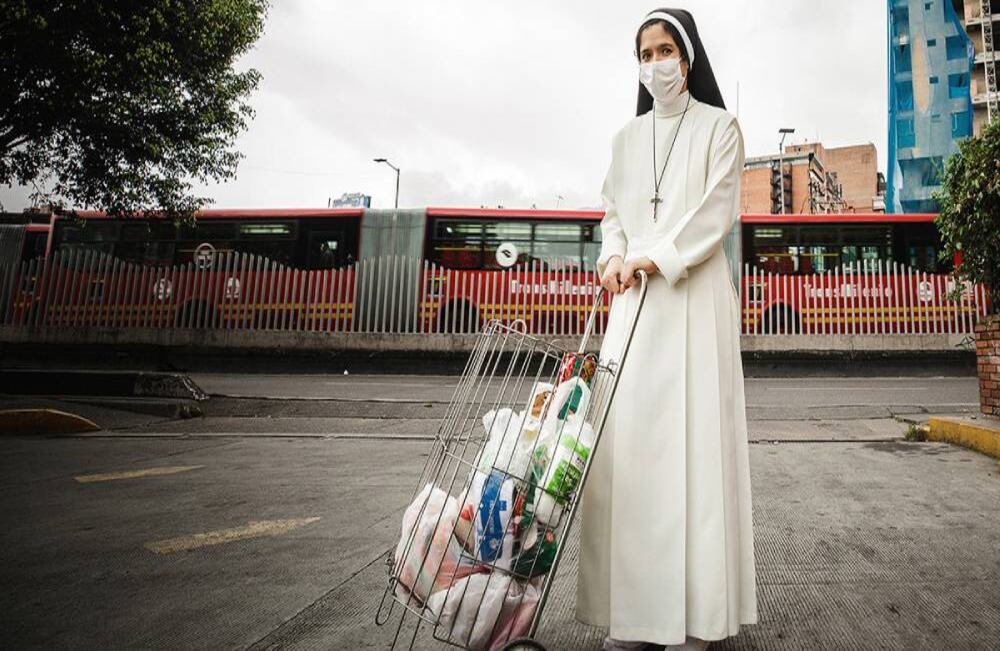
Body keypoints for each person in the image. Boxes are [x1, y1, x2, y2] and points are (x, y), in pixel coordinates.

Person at [576, 8, 758, 651]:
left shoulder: (722, 127)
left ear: (687, 56)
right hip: (634, 310)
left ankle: (698, 616)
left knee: (694, 457)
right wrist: (611, 259)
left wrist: (656, 256)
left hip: (693, 299)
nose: (655, 63)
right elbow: (613, 214)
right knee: (633, 461)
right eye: (645, 52)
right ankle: (634, 617)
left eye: (665, 50)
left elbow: (716, 214)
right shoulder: (625, 139)